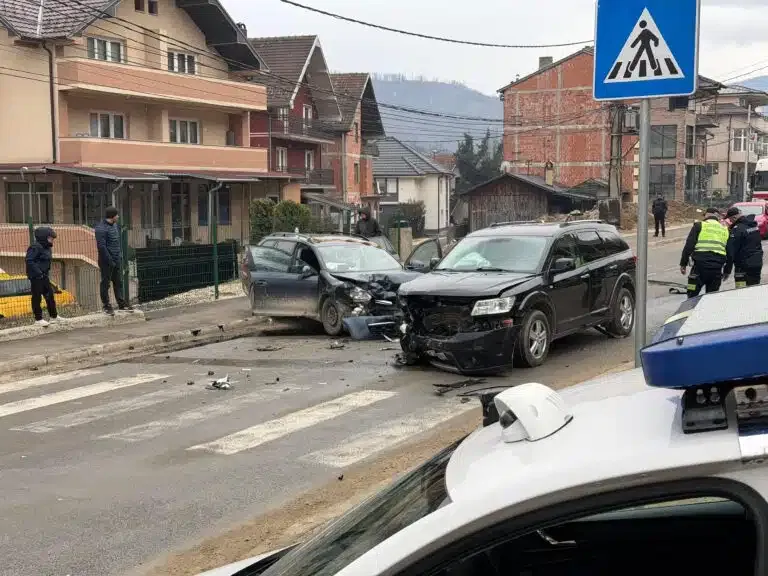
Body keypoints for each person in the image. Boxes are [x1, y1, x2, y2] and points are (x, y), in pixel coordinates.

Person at [680, 207, 730, 298]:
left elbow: (689, 246)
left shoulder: (699, 225)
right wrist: (727, 270)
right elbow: (730, 252)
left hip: (699, 268)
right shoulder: (724, 229)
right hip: (717, 269)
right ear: (717, 216)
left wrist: (683, 264)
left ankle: (691, 311)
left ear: (707, 215)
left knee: (691, 295)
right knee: (711, 298)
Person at [94, 207, 132, 315]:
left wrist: (118, 257)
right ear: (112, 216)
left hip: (116, 259)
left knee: (118, 282)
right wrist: (110, 260)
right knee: (105, 284)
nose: (118, 217)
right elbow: (101, 247)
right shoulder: (101, 229)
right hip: (106, 261)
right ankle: (106, 306)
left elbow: (115, 242)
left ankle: (121, 304)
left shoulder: (114, 225)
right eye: (117, 215)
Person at [25, 226, 60, 327]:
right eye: (50, 238)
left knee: (50, 295)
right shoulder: (35, 247)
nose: (52, 240)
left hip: (44, 276)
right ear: (43, 237)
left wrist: (44, 273)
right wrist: (38, 272)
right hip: (36, 277)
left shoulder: (47, 247)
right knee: (37, 297)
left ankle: (54, 317)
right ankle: (38, 319)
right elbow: (29, 260)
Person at [724, 206, 763, 289]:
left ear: (734, 217)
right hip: (757, 264)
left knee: (741, 291)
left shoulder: (737, 230)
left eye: (730, 219)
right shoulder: (753, 226)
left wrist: (727, 270)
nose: (730, 221)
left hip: (742, 266)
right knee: (754, 289)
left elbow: (730, 252)